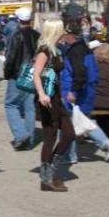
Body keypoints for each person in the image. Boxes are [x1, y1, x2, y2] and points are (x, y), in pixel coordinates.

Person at [60, 19, 109, 164]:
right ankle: (105, 143)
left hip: (78, 92)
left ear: (70, 34)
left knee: (67, 125)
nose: (64, 37)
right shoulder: (86, 49)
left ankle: (69, 156)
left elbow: (79, 73)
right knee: (84, 122)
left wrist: (73, 91)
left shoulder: (75, 51)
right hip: (88, 91)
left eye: (65, 34)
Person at [34, 18, 75, 192]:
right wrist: (42, 94)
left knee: (69, 134)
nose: (63, 34)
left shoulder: (56, 50)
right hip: (48, 100)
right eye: (61, 30)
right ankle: (46, 178)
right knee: (50, 137)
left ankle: (51, 170)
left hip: (57, 98)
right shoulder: (44, 51)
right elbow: (36, 74)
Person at [3, 7, 39, 150]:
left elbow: (11, 56)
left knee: (11, 104)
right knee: (29, 107)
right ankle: (28, 140)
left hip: (18, 73)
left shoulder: (16, 35)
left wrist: (7, 73)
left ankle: (20, 134)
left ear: (19, 20)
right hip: (32, 73)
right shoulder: (37, 35)